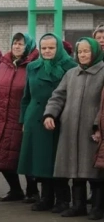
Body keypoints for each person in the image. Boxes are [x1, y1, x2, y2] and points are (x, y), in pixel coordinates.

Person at [43, 37, 104, 219]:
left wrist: (97, 125)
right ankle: (78, 206)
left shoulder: (103, 72)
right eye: (80, 52)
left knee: (95, 171)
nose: (83, 55)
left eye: (87, 51)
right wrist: (49, 114)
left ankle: (98, 207)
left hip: (93, 130)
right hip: (70, 129)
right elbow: (58, 96)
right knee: (74, 169)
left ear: (95, 52)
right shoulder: (71, 74)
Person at [17, 34, 77, 214]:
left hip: (60, 118)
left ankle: (63, 199)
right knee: (40, 160)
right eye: (44, 48)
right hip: (35, 118)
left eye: (51, 48)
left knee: (58, 159)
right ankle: (46, 198)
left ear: (58, 48)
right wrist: (23, 120)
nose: (47, 51)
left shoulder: (71, 67)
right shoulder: (33, 67)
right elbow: (26, 96)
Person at [0, 33, 39, 204]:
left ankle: (33, 191)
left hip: (20, 119)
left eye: (21, 44)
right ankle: (15, 189)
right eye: (15, 43)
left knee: (24, 155)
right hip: (1, 118)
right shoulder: (4, 64)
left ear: (28, 46)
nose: (16, 47)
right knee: (2, 157)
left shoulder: (34, 65)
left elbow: (33, 94)